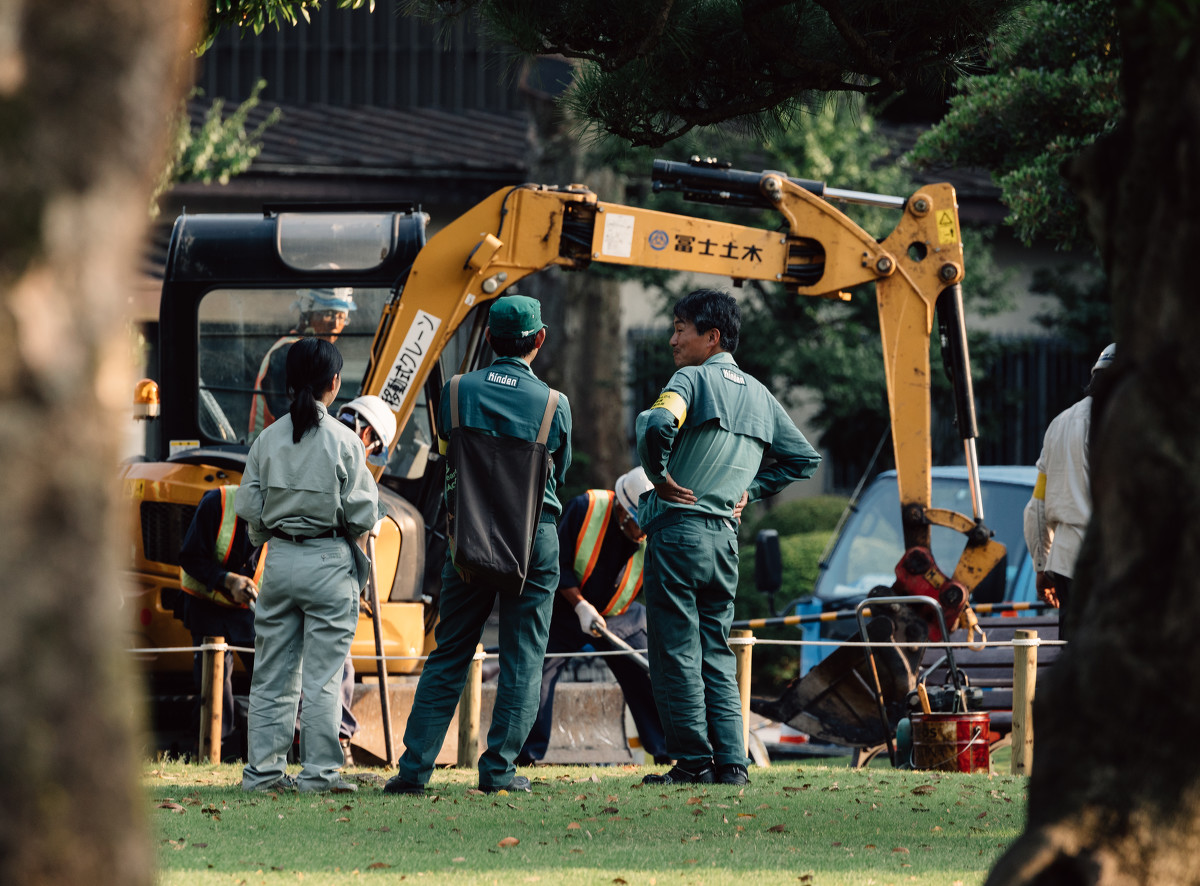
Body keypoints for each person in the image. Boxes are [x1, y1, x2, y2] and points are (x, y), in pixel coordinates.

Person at [385, 294, 572, 796]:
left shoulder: (455, 391)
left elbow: (447, 453)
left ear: (488, 338)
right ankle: (499, 772)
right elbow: (560, 469)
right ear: (539, 340)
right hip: (534, 541)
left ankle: (414, 771)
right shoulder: (555, 405)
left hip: (467, 536)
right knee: (523, 657)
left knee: (449, 653)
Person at [635, 289, 821, 786]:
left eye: (681, 329)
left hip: (678, 533)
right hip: (724, 540)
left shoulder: (689, 379)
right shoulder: (760, 393)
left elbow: (658, 422)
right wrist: (750, 490)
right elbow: (804, 459)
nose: (673, 339)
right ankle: (733, 763)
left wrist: (658, 475)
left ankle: (693, 762)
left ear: (711, 336)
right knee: (716, 649)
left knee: (676, 648)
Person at [236, 337, 383, 794]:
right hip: (329, 560)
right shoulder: (344, 441)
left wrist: (272, 540)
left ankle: (262, 775)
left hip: (279, 560)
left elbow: (249, 507)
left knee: (272, 676)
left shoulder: (266, 439)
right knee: (322, 677)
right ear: (334, 384)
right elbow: (362, 515)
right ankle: (320, 775)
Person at [517, 467, 670, 766]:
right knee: (540, 675)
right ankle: (526, 757)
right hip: (565, 609)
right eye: (637, 525)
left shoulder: (654, 530)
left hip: (618, 615)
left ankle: (668, 752)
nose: (641, 534)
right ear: (622, 511)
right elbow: (554, 563)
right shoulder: (586, 508)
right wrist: (580, 605)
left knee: (646, 672)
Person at [1023, 342, 1115, 641]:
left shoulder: (1060, 424)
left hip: (1066, 562)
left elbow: (1037, 505)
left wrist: (1041, 564)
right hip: (1113, 561)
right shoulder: (1126, 424)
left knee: (1076, 655)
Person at [175, 484, 260, 760]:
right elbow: (189, 557)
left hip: (247, 609)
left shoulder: (281, 514)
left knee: (269, 671)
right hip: (206, 605)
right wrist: (227, 580)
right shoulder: (218, 503)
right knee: (214, 684)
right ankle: (214, 752)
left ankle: (268, 750)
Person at [248, 287, 356, 439]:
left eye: (341, 317)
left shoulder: (307, 353)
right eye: (328, 315)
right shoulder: (289, 352)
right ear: (307, 314)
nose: (335, 324)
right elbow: (290, 416)